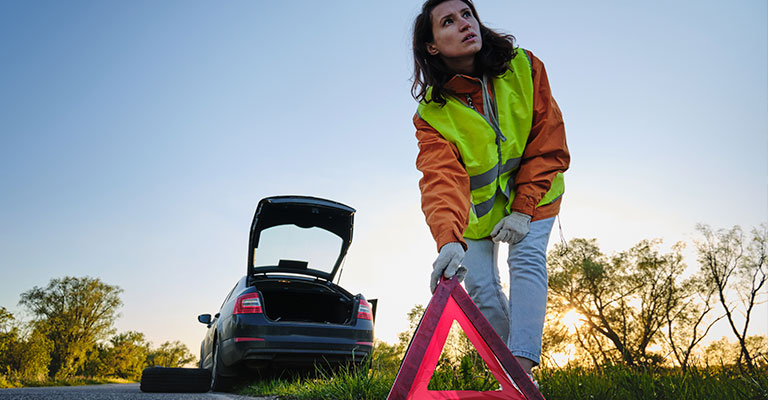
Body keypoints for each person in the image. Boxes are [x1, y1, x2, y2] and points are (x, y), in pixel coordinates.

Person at [411, 0, 570, 379]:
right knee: (481, 286)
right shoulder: (432, 113)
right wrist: (448, 240)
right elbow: (440, 178)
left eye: (467, 14)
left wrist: (523, 209)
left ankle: (522, 369)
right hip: (475, 215)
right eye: (448, 21)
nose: (465, 24)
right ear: (432, 46)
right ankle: (514, 378)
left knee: (526, 261)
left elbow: (547, 142)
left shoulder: (524, 66)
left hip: (535, 195)